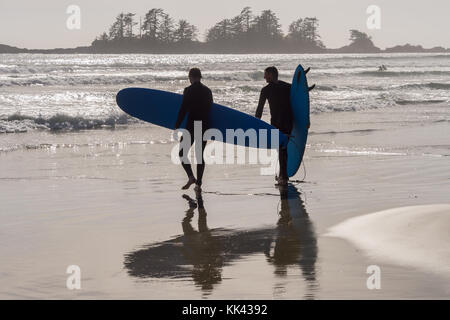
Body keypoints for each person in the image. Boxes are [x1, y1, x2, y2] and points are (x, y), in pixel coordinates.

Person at [175, 68, 213, 191]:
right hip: (204, 126)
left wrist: (177, 124)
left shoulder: (188, 90)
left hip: (191, 126)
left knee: (182, 153)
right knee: (199, 155)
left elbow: (183, 109)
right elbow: (210, 110)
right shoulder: (208, 91)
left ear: (191, 77)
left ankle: (191, 177)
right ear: (200, 77)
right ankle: (198, 184)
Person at [255, 66, 293, 186]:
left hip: (277, 123)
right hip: (289, 121)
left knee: (281, 148)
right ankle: (283, 174)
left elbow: (260, 108)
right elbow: (298, 103)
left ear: (271, 75)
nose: (264, 77)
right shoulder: (288, 87)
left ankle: (283, 177)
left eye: (266, 74)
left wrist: (256, 123)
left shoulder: (265, 90)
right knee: (283, 148)